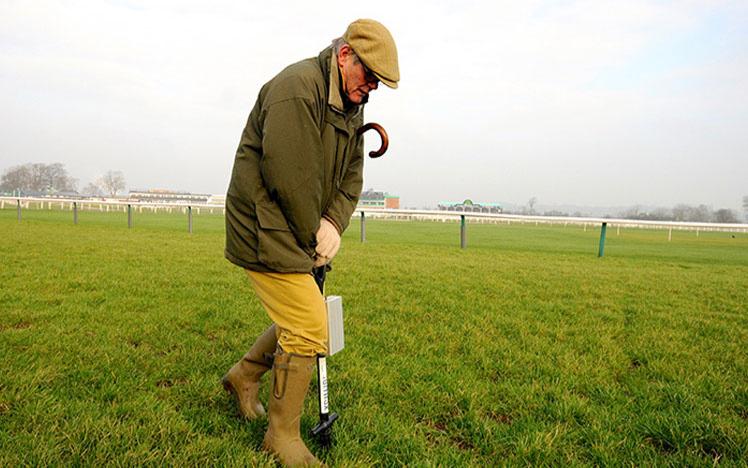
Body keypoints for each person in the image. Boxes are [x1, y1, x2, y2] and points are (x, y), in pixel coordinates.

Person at [221, 19, 399, 466]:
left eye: (379, 81)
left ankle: (244, 376)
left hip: (297, 228)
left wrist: (334, 225)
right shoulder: (297, 89)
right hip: (263, 225)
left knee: (304, 316)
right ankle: (281, 436)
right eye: (370, 75)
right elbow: (291, 179)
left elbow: (351, 176)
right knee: (308, 324)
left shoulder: (350, 101)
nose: (373, 87)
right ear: (344, 56)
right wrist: (313, 237)